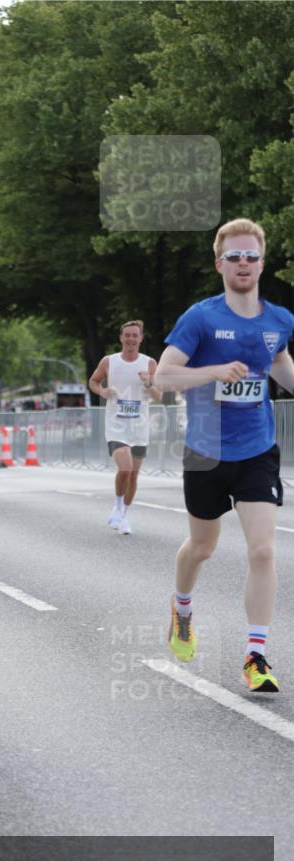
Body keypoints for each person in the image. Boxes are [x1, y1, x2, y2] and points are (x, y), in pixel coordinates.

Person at [154, 218, 294, 693]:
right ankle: (182, 608)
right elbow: (164, 378)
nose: (243, 264)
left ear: (261, 262)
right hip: (206, 454)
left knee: (262, 549)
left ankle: (256, 655)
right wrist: (212, 371)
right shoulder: (201, 318)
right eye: (234, 257)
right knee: (203, 547)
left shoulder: (279, 320)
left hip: (257, 448)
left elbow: (279, 364)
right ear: (219, 264)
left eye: (251, 256)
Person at [89, 320, 162, 534]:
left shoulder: (149, 363)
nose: (131, 339)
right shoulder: (109, 361)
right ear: (121, 338)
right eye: (127, 335)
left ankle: (123, 515)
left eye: (134, 335)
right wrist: (102, 392)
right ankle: (118, 506)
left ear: (141, 338)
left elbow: (158, 396)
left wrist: (148, 382)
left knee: (134, 476)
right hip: (116, 425)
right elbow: (93, 381)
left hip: (140, 427)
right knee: (125, 468)